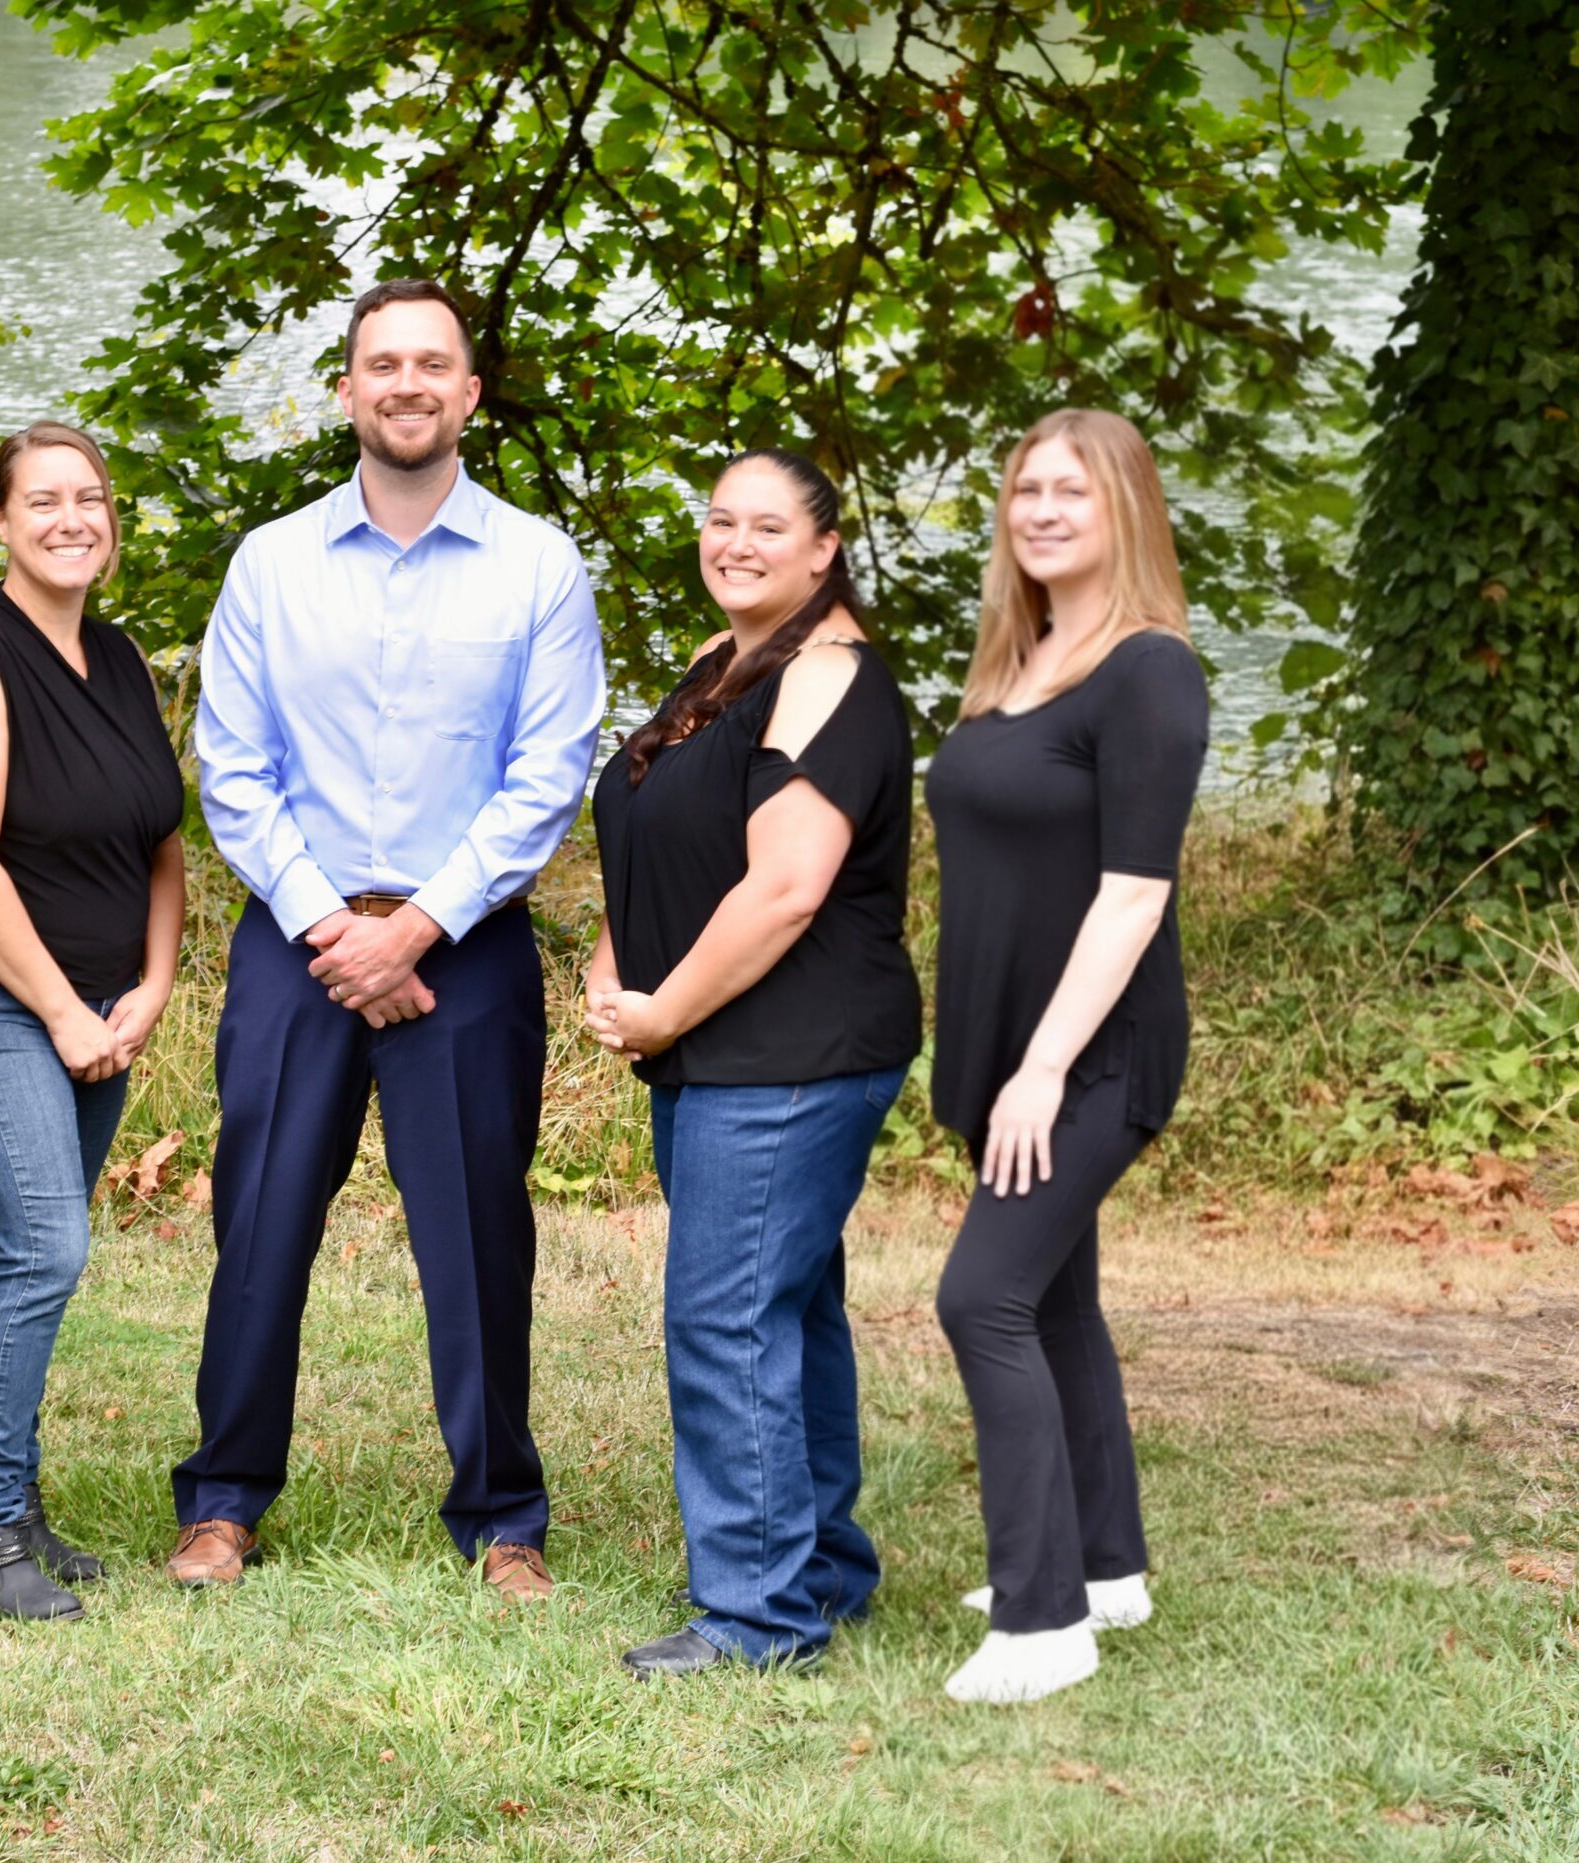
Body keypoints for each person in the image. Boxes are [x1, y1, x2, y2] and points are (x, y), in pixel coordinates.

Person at [167, 279, 606, 1598]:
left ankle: (503, 1516)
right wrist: (334, 928)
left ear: (468, 392)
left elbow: (548, 776)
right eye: (382, 364)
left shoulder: (538, 565)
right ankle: (223, 1501)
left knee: (476, 1237)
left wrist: (411, 930)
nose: (406, 384)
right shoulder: (271, 562)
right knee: (259, 1224)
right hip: (296, 942)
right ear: (347, 390)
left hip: (463, 945)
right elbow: (234, 770)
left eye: (431, 364)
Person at [584, 448, 921, 1677]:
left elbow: (783, 889)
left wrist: (661, 1011)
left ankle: (759, 1614)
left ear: (824, 549)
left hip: (788, 1057)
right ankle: (819, 1570)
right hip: (719, 1050)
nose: (734, 543)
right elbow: (667, 830)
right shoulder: (724, 662)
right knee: (788, 1313)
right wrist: (614, 960)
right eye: (719, 519)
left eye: (767, 526)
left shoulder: (825, 675)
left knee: (726, 1321)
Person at [923, 408, 1208, 1705]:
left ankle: (1043, 1625)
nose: (1040, 510)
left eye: (1071, 491)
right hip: (1008, 1048)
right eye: (1026, 488)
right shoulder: (1022, 659)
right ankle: (1105, 1567)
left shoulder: (1149, 671)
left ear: (1125, 508)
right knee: (1049, 1300)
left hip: (1093, 1054)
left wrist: (1041, 1067)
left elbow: (1134, 894)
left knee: (979, 1297)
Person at [0, 422, 187, 1620]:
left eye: (91, 499)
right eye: (43, 501)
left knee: (38, 1250)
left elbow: (162, 837)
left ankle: (14, 1504)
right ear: (1, 521)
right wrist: (67, 1013)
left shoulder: (117, 659)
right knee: (47, 1246)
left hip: (107, 1005)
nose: (72, 520)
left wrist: (154, 984)